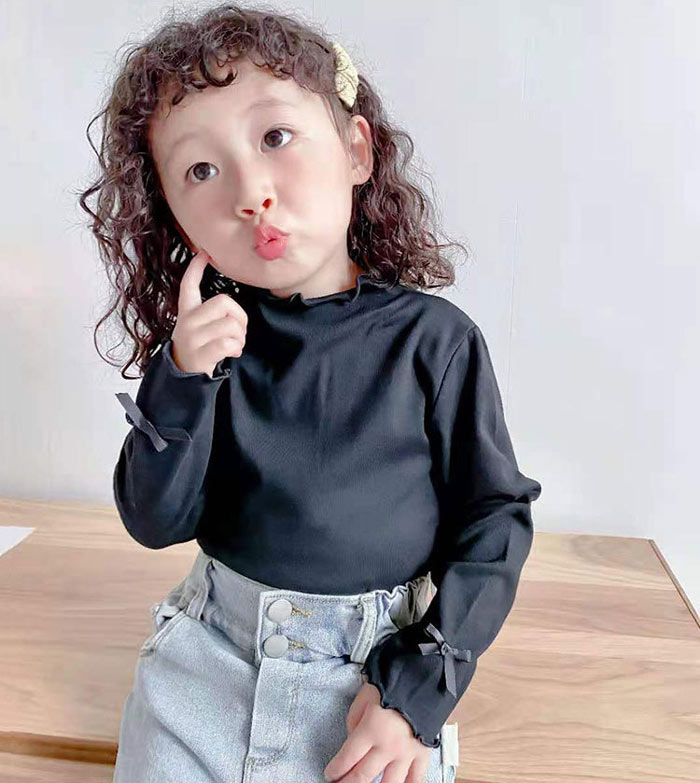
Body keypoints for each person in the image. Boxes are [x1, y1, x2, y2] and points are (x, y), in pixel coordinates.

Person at [79, 4, 542, 782]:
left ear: (356, 150)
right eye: (201, 170)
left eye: (275, 137)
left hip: (370, 690)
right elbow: (154, 521)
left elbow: (494, 520)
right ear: (181, 223)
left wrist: (417, 691)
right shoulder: (207, 348)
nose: (250, 192)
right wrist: (179, 377)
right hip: (204, 666)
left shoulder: (436, 342)